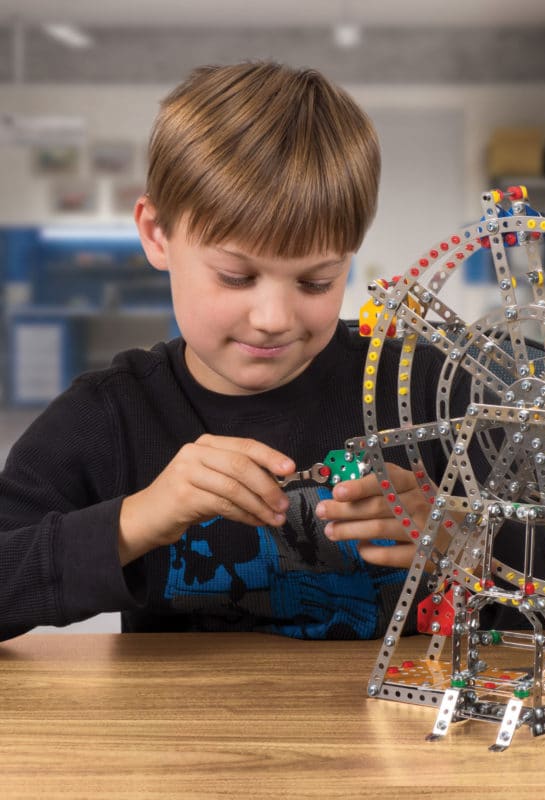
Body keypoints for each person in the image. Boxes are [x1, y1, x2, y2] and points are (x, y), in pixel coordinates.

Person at [0, 61, 436, 642]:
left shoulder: (428, 384)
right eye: (235, 277)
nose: (274, 320)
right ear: (157, 234)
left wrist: (463, 540)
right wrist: (138, 518)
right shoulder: (110, 415)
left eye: (316, 282)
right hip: (182, 732)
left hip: (393, 732)